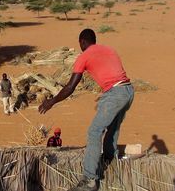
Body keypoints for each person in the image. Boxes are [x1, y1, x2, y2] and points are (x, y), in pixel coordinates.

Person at [39, 29, 134, 191]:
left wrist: (52, 101)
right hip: (128, 91)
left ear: (82, 42)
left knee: (94, 131)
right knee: (113, 127)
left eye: (80, 44)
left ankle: (90, 180)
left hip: (115, 93)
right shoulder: (109, 49)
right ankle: (110, 157)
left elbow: (70, 87)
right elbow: (114, 75)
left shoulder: (84, 56)